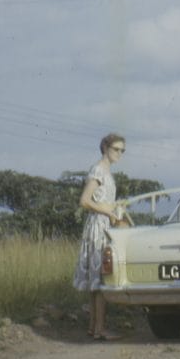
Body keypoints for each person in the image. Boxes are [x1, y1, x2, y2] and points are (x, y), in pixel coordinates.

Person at [73, 133, 126, 340]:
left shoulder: (106, 171)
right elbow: (85, 200)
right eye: (116, 149)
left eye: (122, 150)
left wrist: (113, 209)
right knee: (102, 278)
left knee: (98, 281)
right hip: (98, 226)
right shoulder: (98, 170)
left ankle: (95, 328)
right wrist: (108, 212)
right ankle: (100, 329)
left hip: (103, 223)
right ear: (105, 148)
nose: (119, 154)